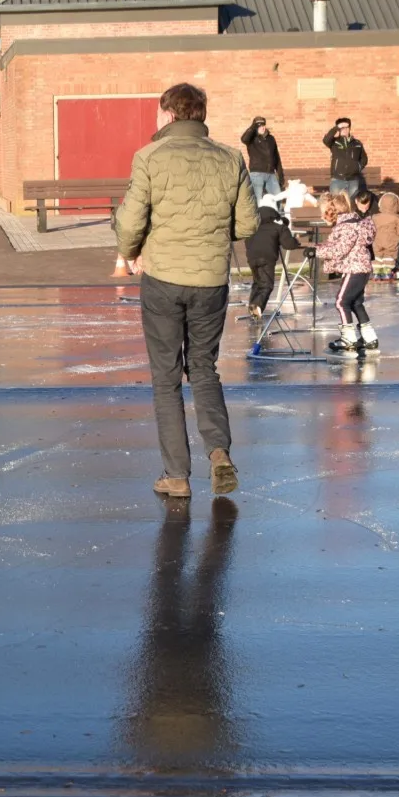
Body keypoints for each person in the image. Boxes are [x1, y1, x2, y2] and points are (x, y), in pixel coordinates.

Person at [115, 83, 257, 499]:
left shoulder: (149, 157)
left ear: (170, 115)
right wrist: (212, 236)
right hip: (211, 280)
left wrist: (130, 250)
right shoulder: (231, 158)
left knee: (165, 378)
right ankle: (219, 453)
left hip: (162, 278)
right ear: (200, 114)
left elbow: (130, 222)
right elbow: (248, 224)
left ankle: (176, 475)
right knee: (203, 367)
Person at [315, 191, 380, 355]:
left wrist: (316, 250)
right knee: (356, 302)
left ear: (331, 212)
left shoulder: (346, 227)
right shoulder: (355, 222)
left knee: (341, 301)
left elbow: (339, 250)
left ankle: (348, 338)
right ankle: (369, 337)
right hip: (361, 268)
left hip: (354, 269)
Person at [245, 206, 302, 320]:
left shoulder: (252, 229)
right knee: (267, 285)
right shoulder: (278, 228)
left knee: (257, 283)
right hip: (267, 258)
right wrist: (296, 240)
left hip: (252, 258)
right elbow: (288, 245)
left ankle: (253, 307)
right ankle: (257, 305)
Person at [239, 116, 285, 204]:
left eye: (264, 125)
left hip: (271, 174)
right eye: (259, 126)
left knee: (278, 198)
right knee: (257, 200)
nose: (262, 128)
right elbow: (243, 139)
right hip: (257, 174)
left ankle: (278, 216)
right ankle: (258, 217)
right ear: (255, 127)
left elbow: (277, 157)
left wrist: (280, 176)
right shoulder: (251, 138)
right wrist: (253, 126)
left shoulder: (271, 139)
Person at [323, 117, 368, 198]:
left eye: (346, 127)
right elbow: (326, 140)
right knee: (336, 205)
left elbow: (364, 159)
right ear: (339, 129)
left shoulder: (357, 143)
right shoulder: (334, 142)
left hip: (353, 180)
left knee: (352, 204)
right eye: (342, 128)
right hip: (337, 180)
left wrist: (357, 167)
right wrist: (336, 127)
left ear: (349, 128)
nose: (344, 130)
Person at [372, 192, 399, 280]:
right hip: (391, 243)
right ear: (397, 205)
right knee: (389, 256)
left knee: (377, 256)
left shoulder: (375, 217)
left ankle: (376, 273)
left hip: (376, 242)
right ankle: (387, 273)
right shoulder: (398, 218)